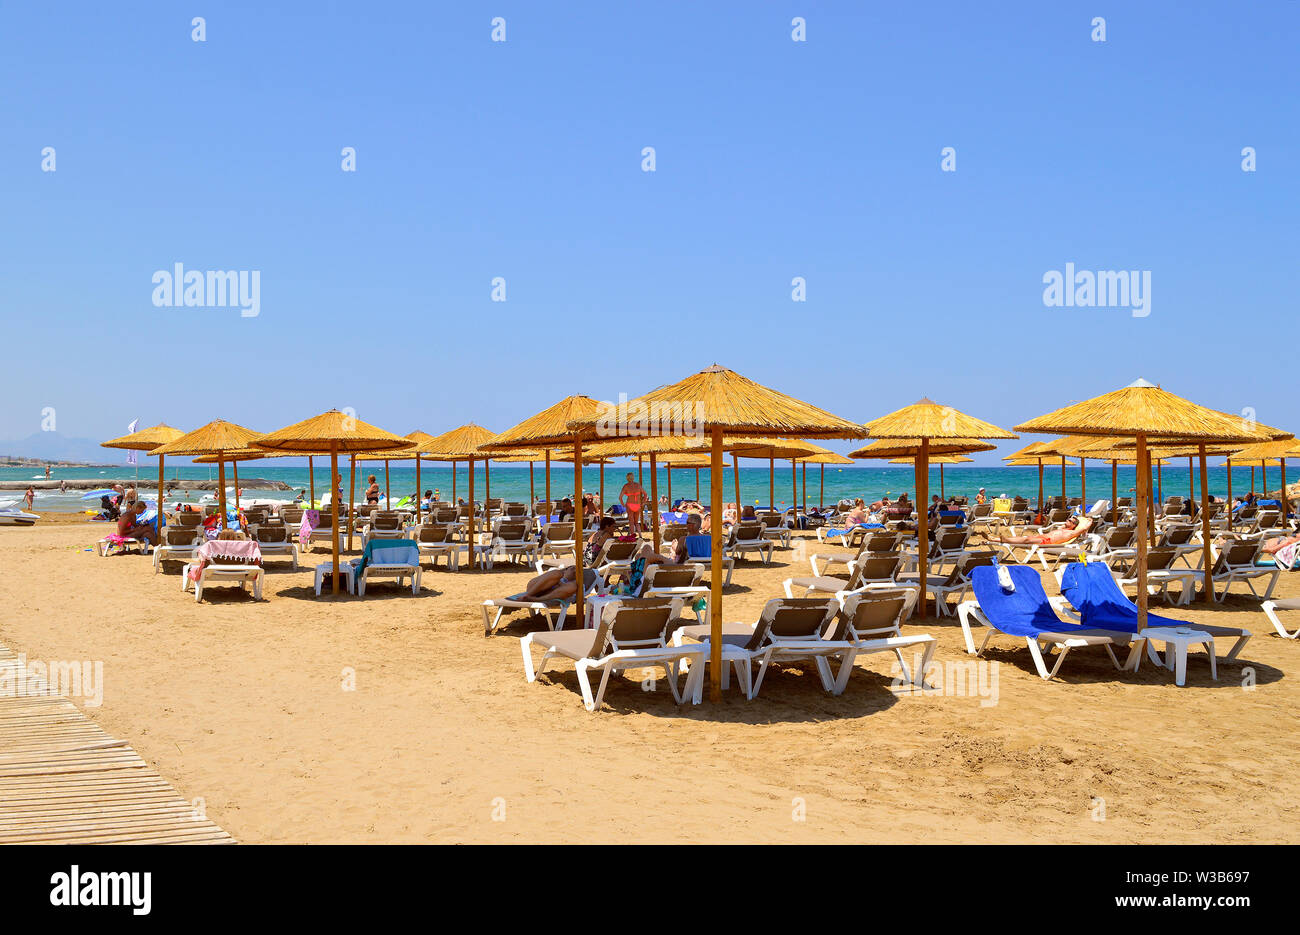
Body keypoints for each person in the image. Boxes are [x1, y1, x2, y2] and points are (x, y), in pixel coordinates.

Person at [994, 515, 1092, 547]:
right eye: (1067, 519)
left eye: (1069, 521)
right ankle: (995, 539)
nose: (1067, 521)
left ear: (1074, 525)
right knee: (1024, 538)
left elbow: (1084, 528)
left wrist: (1090, 520)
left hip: (1047, 542)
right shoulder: (1063, 528)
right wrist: (1066, 524)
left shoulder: (1072, 532)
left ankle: (1004, 540)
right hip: (1043, 537)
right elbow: (1061, 527)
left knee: (1026, 540)